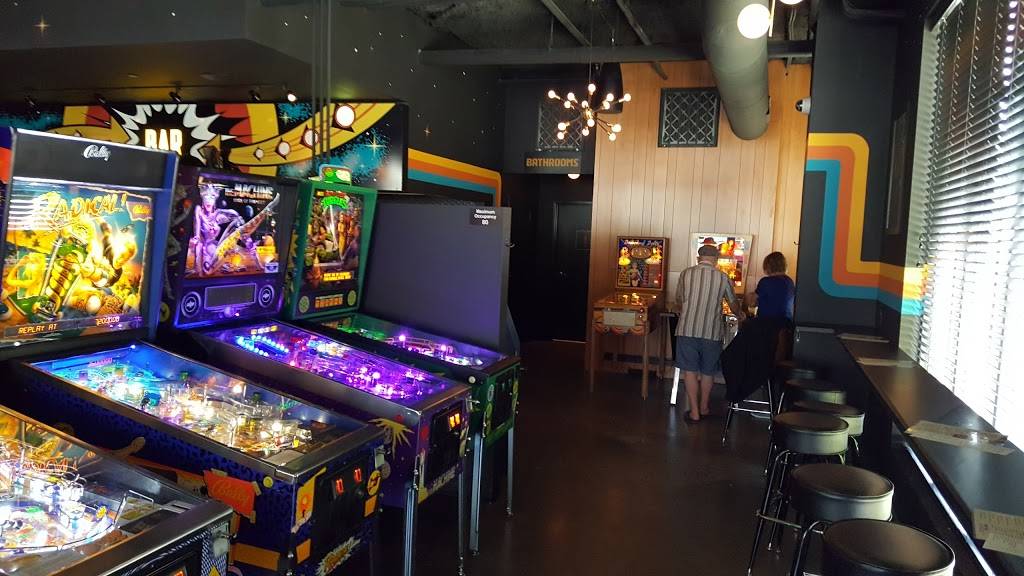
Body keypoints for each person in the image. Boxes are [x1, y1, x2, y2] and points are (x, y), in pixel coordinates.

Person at [675, 244, 744, 422]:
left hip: (687, 329)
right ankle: (704, 407)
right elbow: (733, 304)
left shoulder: (686, 274)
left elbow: (679, 301)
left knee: (689, 371)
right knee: (708, 371)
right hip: (711, 332)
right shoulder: (722, 277)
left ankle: (694, 412)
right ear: (716, 260)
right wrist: (740, 314)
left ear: (698, 258)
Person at [751, 251, 795, 321]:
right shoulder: (790, 281)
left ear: (767, 266)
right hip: (787, 324)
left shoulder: (765, 282)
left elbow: (752, 303)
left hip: (766, 323)